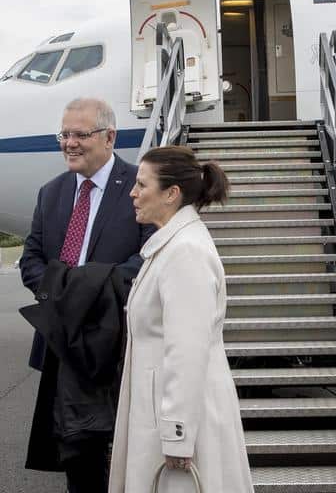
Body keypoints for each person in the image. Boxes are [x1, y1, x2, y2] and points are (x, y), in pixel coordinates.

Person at [19, 97, 153, 493]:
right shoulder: (51, 193)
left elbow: (148, 256)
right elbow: (31, 260)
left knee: (127, 450)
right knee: (75, 451)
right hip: (64, 339)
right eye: (64, 134)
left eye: (81, 134)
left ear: (110, 137)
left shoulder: (139, 187)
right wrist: (65, 297)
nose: (70, 143)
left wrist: (89, 292)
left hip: (116, 339)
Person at [108, 145, 252, 493]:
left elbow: (187, 352)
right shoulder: (174, 245)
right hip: (165, 412)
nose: (133, 193)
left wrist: (177, 435)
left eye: (142, 184)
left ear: (171, 194)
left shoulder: (184, 251)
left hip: (179, 422)